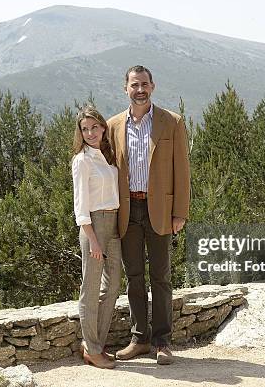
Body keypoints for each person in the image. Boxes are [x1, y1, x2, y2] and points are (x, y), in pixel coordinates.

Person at [107, 65, 191, 365]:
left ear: (152, 86)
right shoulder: (113, 125)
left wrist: (180, 211)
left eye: (144, 84)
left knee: (161, 277)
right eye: (134, 85)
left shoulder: (172, 122)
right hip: (127, 210)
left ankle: (163, 342)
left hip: (160, 211)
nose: (139, 89)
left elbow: (182, 170)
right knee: (134, 277)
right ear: (125, 88)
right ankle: (139, 339)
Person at [72, 106, 122, 369]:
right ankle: (92, 349)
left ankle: (95, 344)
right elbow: (80, 206)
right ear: (80, 133)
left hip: (113, 223)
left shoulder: (108, 157)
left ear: (103, 127)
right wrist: (91, 238)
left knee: (113, 284)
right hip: (93, 225)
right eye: (85, 129)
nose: (90, 133)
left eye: (94, 127)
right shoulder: (82, 160)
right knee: (90, 288)